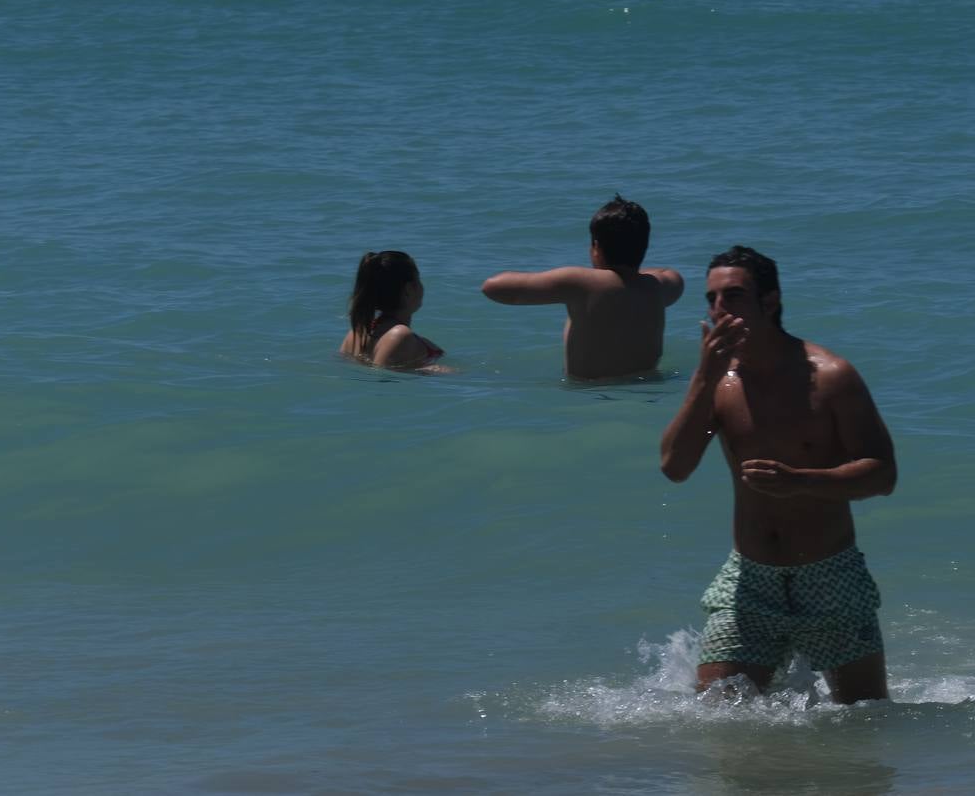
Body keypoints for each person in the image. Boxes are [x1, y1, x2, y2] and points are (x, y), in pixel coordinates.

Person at [659, 245, 898, 704]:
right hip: (751, 580)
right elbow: (675, 467)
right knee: (716, 718)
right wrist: (703, 379)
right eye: (711, 299)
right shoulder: (719, 383)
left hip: (830, 575)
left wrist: (802, 481)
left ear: (770, 302)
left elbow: (882, 474)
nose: (719, 309)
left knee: (864, 719)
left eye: (733, 296)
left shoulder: (831, 377)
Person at [480, 195, 684, 380]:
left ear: (596, 248)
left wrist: (574, 281)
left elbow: (492, 287)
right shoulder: (660, 286)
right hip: (647, 388)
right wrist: (630, 273)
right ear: (644, 246)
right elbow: (669, 273)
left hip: (590, 393)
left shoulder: (581, 283)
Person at [339, 250, 446, 371]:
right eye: (419, 279)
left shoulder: (357, 332)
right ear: (408, 290)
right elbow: (383, 378)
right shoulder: (400, 335)